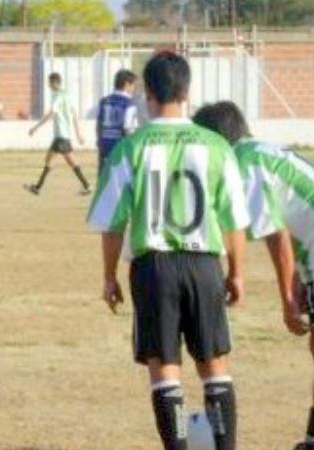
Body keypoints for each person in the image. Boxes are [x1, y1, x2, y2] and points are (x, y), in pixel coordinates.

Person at [192, 101, 314, 450]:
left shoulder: (243, 162)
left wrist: (286, 297)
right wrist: (301, 274)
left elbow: (276, 233)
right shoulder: (263, 150)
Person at [87, 52, 249, 450]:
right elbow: (234, 220)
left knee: (165, 370)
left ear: (147, 93)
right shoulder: (216, 146)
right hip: (205, 263)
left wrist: (109, 276)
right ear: (187, 91)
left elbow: (112, 223)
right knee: (215, 366)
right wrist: (237, 272)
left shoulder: (131, 147)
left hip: (153, 267)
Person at [25, 72, 91, 195]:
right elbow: (74, 114)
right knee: (62, 160)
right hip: (64, 135)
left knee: (51, 160)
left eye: (49, 82)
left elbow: (51, 113)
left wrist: (35, 127)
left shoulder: (57, 96)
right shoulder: (68, 95)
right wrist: (78, 134)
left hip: (61, 135)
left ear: (54, 82)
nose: (48, 85)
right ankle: (86, 185)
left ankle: (38, 187)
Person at [96, 69, 139, 173]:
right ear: (126, 84)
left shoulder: (104, 100)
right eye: (133, 85)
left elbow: (99, 124)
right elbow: (127, 128)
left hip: (105, 142)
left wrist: (99, 141)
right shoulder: (130, 103)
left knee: (104, 177)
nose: (134, 88)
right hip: (120, 144)